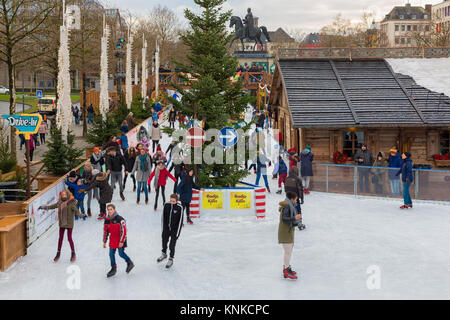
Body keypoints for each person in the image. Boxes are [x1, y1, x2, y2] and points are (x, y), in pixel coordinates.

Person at [39, 190, 82, 262]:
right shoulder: (59, 202)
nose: (64, 196)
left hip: (69, 223)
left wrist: (80, 215)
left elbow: (76, 210)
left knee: (69, 238)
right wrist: (44, 207)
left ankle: (73, 253)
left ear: (67, 194)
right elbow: (52, 206)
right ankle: (58, 253)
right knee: (60, 238)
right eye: (63, 194)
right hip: (62, 222)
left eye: (65, 194)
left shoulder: (71, 203)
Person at [103, 204, 134, 278]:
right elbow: (105, 231)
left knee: (121, 253)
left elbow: (124, 230)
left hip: (120, 239)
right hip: (112, 239)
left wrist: (122, 241)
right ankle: (113, 268)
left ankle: (129, 262)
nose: (110, 211)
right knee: (111, 254)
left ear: (114, 210)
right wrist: (104, 241)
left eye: (111, 209)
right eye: (108, 209)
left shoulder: (120, 219)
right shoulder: (106, 220)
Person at [278, 192, 302, 280]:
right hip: (285, 231)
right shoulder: (287, 206)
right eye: (296, 199)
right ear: (292, 199)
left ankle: (287, 267)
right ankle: (286, 270)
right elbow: (284, 219)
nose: (296, 201)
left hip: (288, 230)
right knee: (288, 252)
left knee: (289, 251)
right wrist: (294, 218)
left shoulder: (289, 204)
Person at [157, 194, 184, 269]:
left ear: (176, 201)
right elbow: (163, 217)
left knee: (172, 245)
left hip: (174, 230)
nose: (172, 202)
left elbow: (180, 222)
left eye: (173, 201)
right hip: (166, 228)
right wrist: (163, 229)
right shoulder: (166, 205)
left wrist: (177, 234)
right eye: (171, 200)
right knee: (164, 242)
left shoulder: (180, 208)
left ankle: (171, 258)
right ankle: (164, 254)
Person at [284, 166, 305, 230]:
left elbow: (285, 187)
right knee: (298, 209)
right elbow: (300, 189)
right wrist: (301, 198)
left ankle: (290, 222)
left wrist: (287, 195)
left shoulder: (287, 178)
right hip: (295, 197)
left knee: (290, 209)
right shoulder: (298, 179)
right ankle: (299, 223)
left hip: (288, 196)